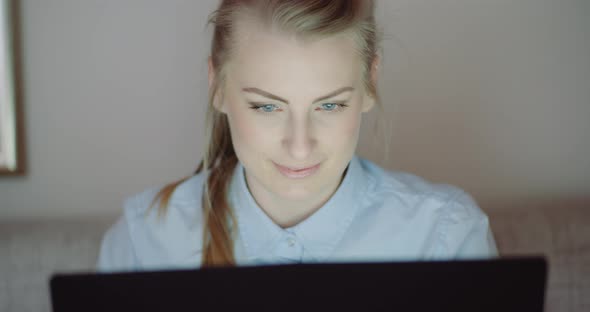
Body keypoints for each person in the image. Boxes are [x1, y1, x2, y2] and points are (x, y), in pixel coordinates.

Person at [97, 0, 497, 272]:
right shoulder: (142, 242)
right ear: (216, 86)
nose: (300, 146)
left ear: (370, 85)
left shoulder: (447, 238)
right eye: (267, 107)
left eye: (329, 105)